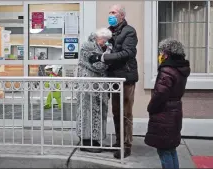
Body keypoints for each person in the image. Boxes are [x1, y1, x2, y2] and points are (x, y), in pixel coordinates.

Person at [89, 4, 138, 159]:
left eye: (114, 12)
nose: (110, 14)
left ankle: (127, 145)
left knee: (126, 113)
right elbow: (104, 47)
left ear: (121, 16)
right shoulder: (109, 31)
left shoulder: (129, 31)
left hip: (126, 77)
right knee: (116, 112)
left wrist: (103, 57)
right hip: (112, 77)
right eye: (109, 12)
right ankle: (119, 142)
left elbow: (127, 53)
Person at [144, 39, 191, 169]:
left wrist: (151, 108)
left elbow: (160, 94)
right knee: (171, 149)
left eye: (162, 52)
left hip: (164, 114)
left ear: (167, 53)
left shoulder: (167, 70)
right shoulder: (181, 69)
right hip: (175, 111)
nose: (161, 55)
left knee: (164, 150)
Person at [76, 28, 113, 153]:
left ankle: (94, 141)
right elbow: (99, 66)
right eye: (105, 40)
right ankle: (86, 142)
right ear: (99, 38)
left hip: (96, 86)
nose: (105, 43)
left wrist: (105, 55)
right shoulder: (89, 46)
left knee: (96, 113)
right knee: (87, 113)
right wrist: (108, 55)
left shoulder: (97, 46)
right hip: (88, 85)